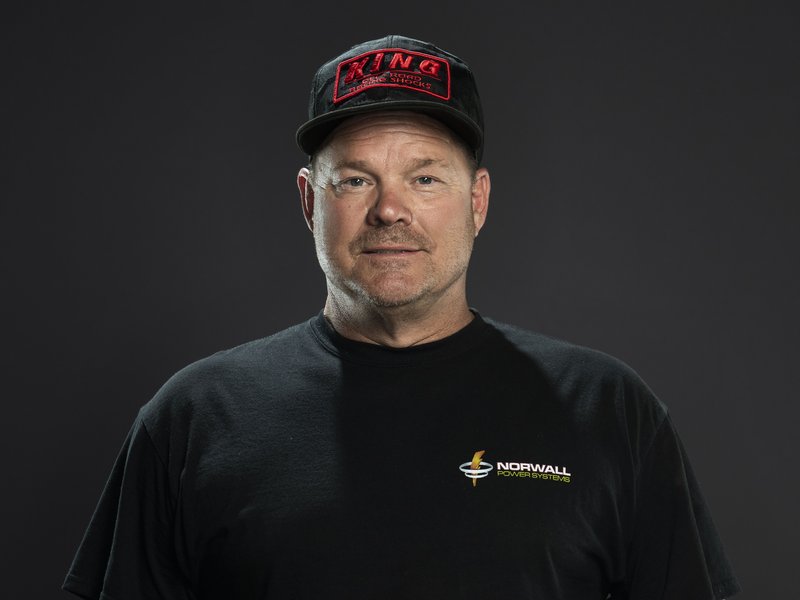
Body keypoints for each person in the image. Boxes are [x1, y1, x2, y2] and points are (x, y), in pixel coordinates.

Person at [63, 35, 740, 600]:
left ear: (477, 201)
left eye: (425, 178)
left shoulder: (608, 412)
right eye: (355, 180)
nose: (390, 210)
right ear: (309, 201)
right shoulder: (193, 420)